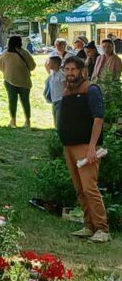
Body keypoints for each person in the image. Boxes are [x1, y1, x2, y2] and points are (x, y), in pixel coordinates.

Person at [57, 56, 109, 243]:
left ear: (82, 71)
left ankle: (102, 228)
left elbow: (98, 117)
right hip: (69, 146)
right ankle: (89, 225)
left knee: (89, 188)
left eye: (73, 69)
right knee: (80, 189)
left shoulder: (91, 89)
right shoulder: (67, 91)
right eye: (67, 69)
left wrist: (92, 147)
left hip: (86, 146)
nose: (70, 73)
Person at [0, 35, 36, 128]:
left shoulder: (5, 54)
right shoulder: (25, 52)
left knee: (12, 101)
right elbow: (32, 66)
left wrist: (8, 72)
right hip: (25, 81)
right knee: (25, 101)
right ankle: (27, 121)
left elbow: (0, 66)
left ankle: (13, 120)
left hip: (9, 80)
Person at [44, 55, 66, 126]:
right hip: (54, 100)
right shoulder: (52, 73)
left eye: (49, 63)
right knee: (55, 119)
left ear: (55, 64)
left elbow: (65, 87)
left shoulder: (61, 75)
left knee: (59, 120)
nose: (48, 64)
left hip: (61, 100)